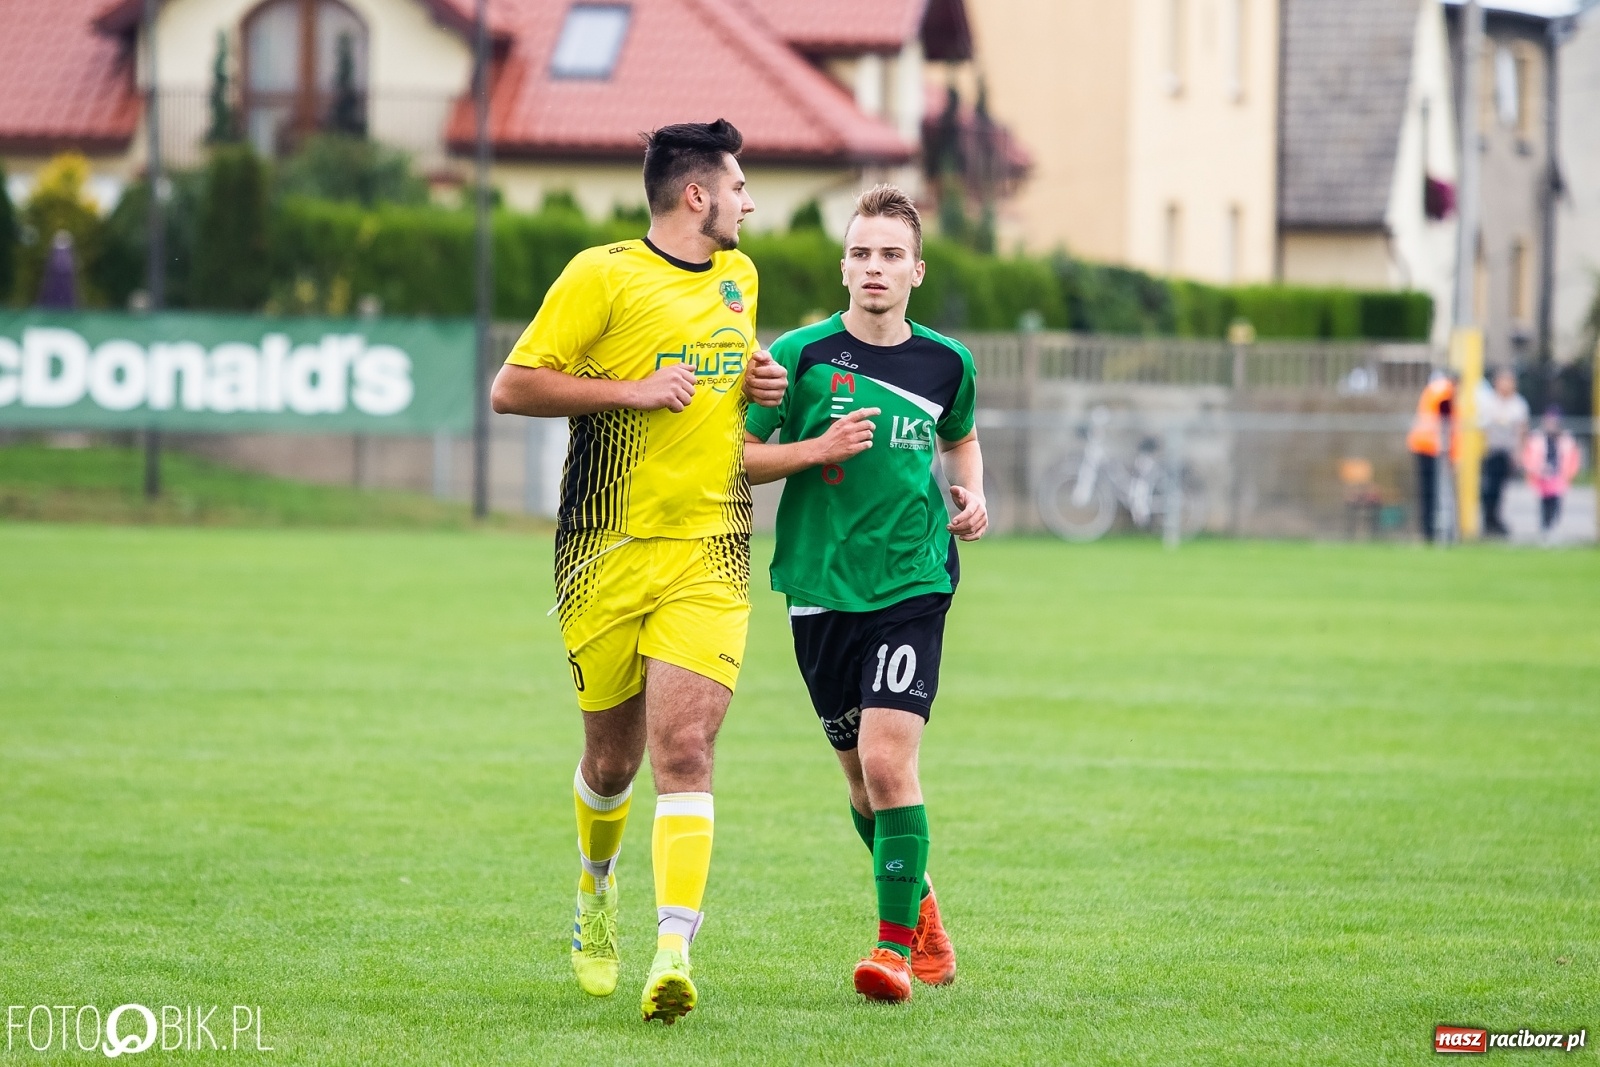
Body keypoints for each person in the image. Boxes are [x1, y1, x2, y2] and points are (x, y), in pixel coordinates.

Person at [489, 118, 787, 1025]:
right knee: (612, 760)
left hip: (712, 548)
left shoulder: (740, 279)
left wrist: (760, 386)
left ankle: (672, 951)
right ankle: (595, 887)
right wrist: (632, 389)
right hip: (603, 551)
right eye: (738, 187)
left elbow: (723, 403)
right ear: (696, 195)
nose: (748, 203)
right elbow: (512, 386)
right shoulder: (601, 274)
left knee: (685, 750)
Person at [743, 185, 985, 1004]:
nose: (874, 266)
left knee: (888, 762)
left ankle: (890, 951)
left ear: (917, 270)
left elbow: (960, 436)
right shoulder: (799, 356)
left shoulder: (948, 362)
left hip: (913, 578)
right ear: (843, 267)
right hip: (819, 586)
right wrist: (815, 448)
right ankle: (924, 913)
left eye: (890, 254)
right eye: (860, 253)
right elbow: (738, 456)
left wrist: (973, 495)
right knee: (860, 784)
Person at [1476, 368, 1529, 537]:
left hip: (1506, 453)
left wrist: (1519, 453)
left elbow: (1522, 430)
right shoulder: (1488, 401)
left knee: (1500, 490)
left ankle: (1495, 520)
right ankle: (1488, 521)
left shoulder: (1518, 404)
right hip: (1490, 452)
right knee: (1487, 489)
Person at [1407, 370, 1457, 542]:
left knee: (1427, 492)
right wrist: (1452, 454)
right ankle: (1433, 532)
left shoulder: (1433, 389)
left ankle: (1428, 531)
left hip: (1422, 444)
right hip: (1433, 447)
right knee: (1434, 493)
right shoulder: (1446, 392)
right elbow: (1446, 422)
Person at [1522, 406, 1582, 543]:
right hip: (1542, 476)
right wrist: (1537, 469)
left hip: (1559, 476)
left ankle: (1553, 527)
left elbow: (1573, 458)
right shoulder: (1537, 438)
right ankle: (1545, 528)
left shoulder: (1566, 439)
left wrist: (1570, 473)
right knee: (1545, 504)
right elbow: (1529, 457)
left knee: (1556, 503)